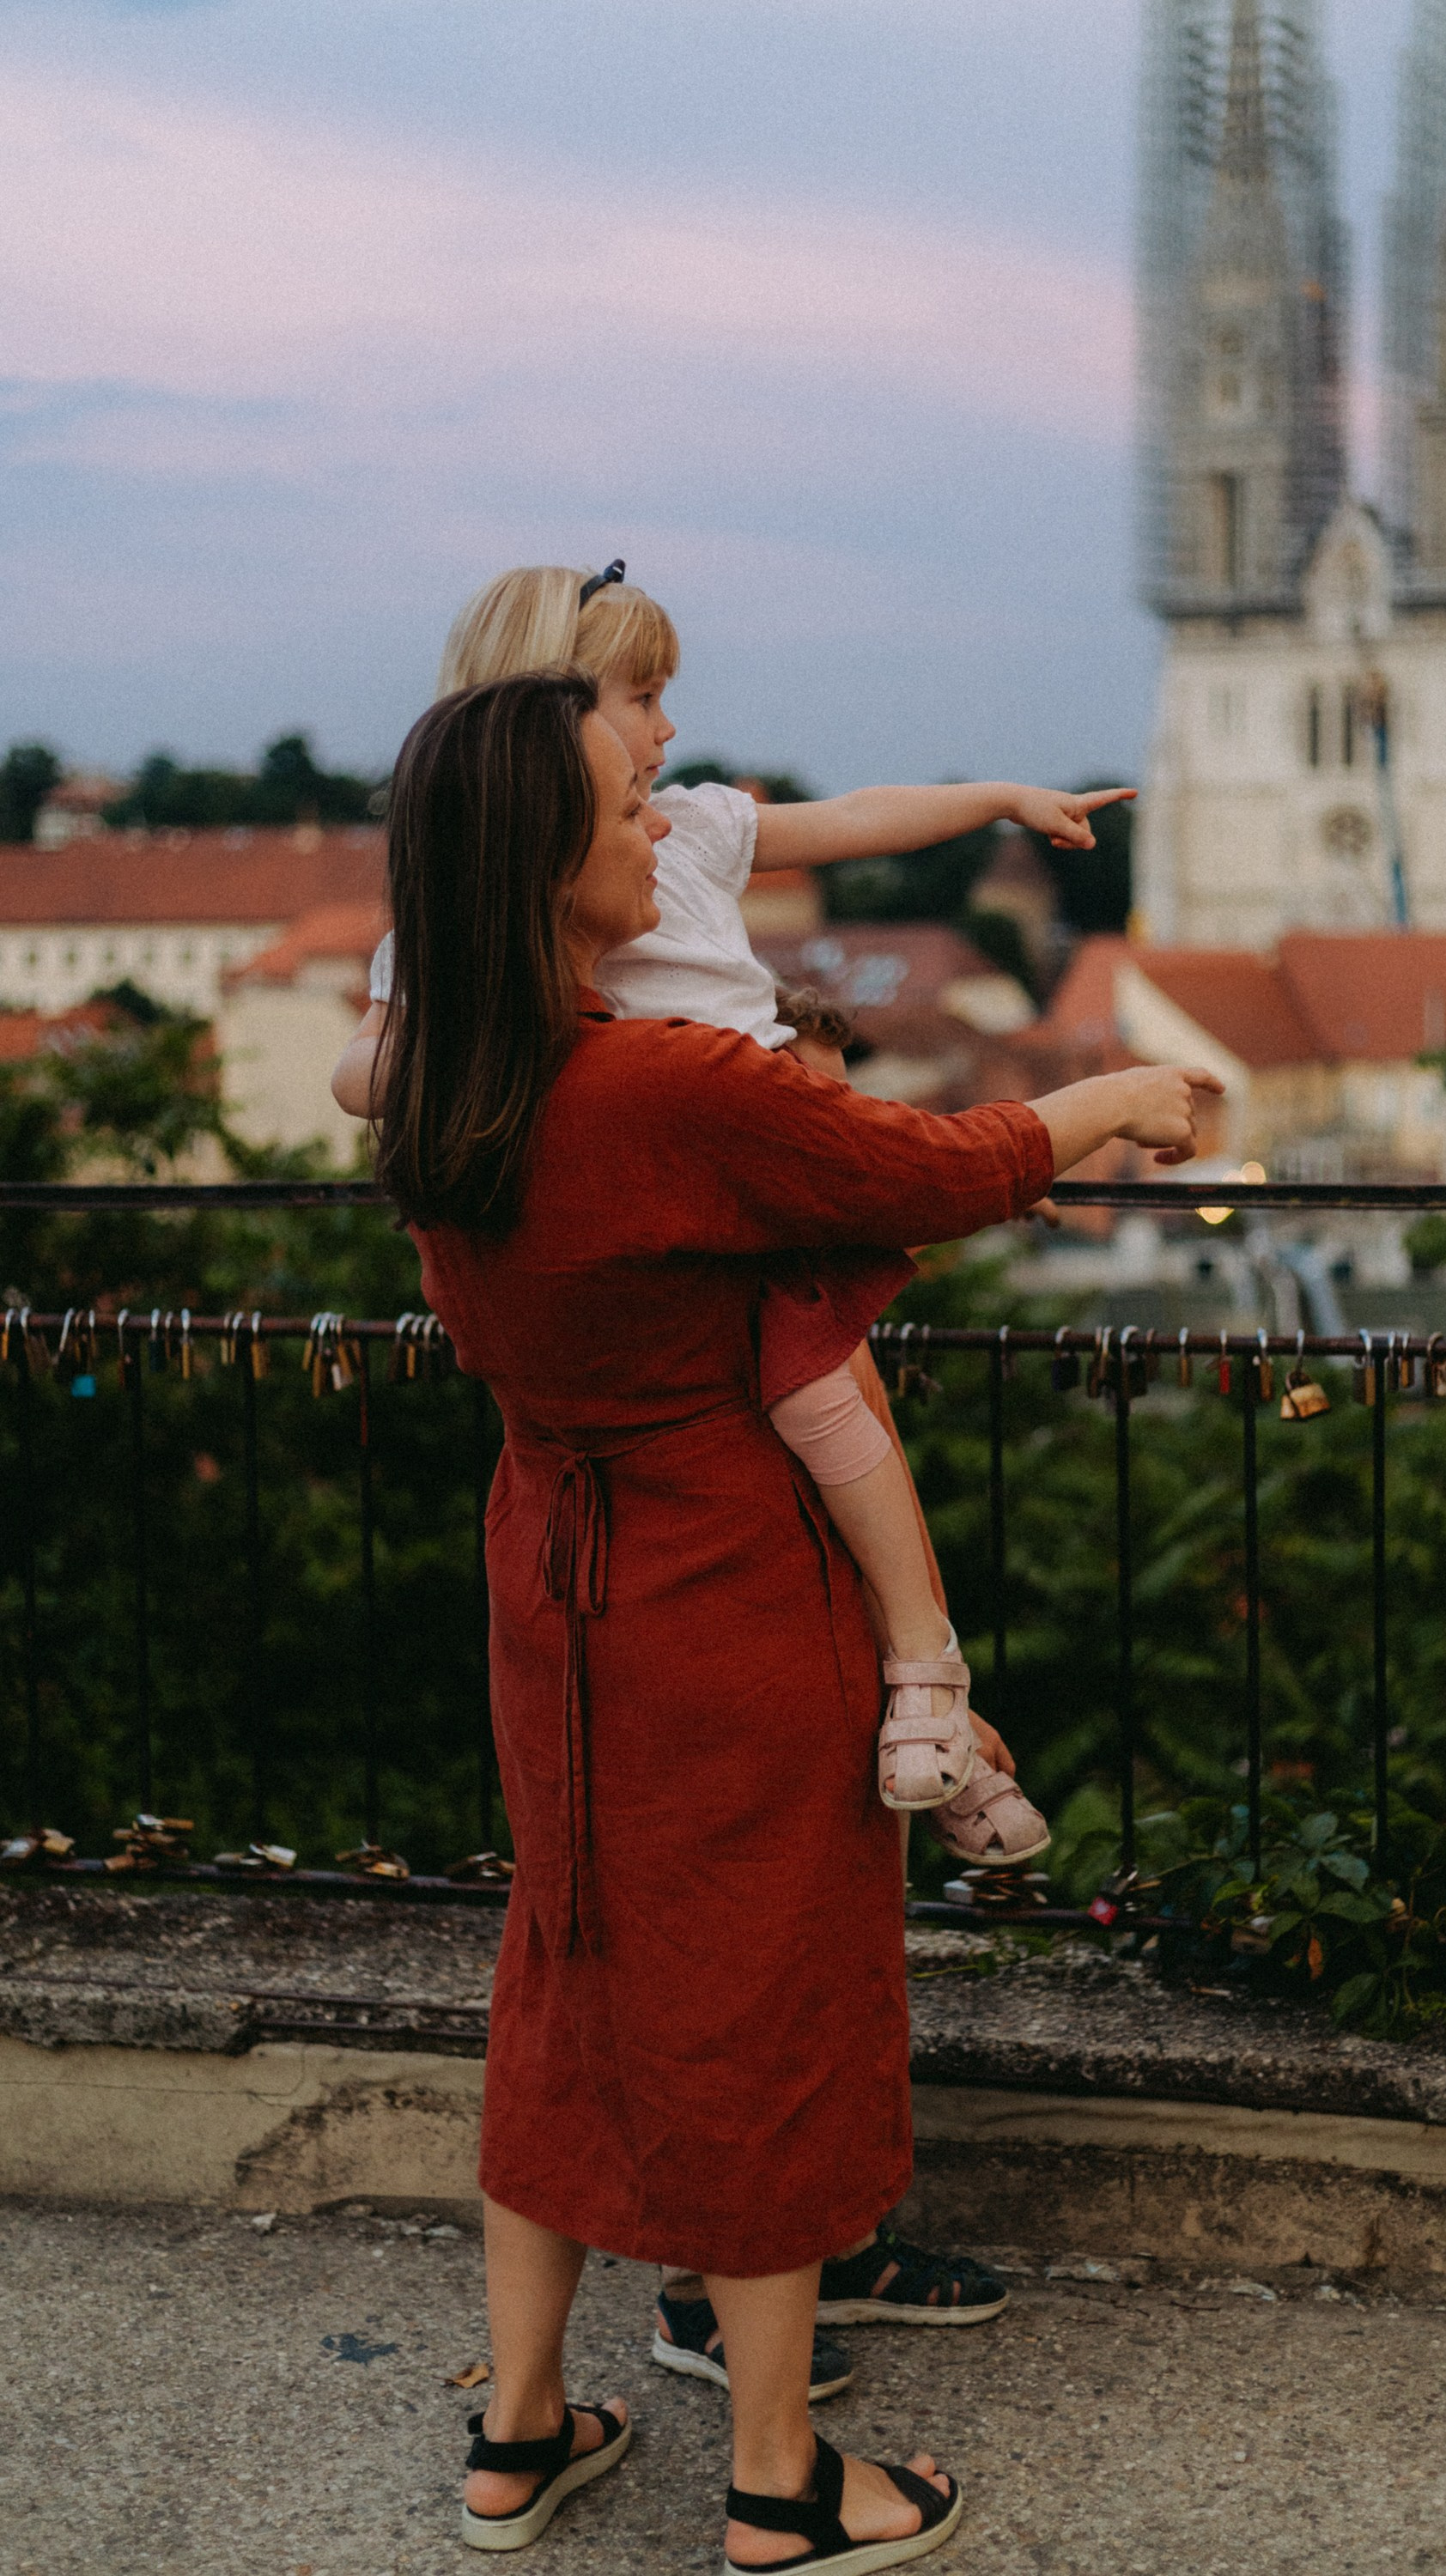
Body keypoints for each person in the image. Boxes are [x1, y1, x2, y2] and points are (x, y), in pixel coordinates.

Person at [374, 666, 1220, 2561]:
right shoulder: (659, 1088)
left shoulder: (445, 1081)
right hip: (719, 1584)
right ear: (542, 864)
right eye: (617, 813)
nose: (653, 829)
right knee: (763, 1992)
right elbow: (911, 1170)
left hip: (551, 1572)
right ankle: (778, 2480)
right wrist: (1106, 1098)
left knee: (566, 1962)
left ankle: (517, 2432)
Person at [336, 562, 1133, 1875]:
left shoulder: (680, 833)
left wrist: (999, 797)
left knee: (847, 1429)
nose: (662, 738)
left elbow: (860, 820)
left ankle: (931, 1695)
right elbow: (375, 1066)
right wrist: (551, 1055)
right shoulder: (502, 930)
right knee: (836, 1422)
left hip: (771, 1161)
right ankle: (931, 1686)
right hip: (719, 1197)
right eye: (637, 700)